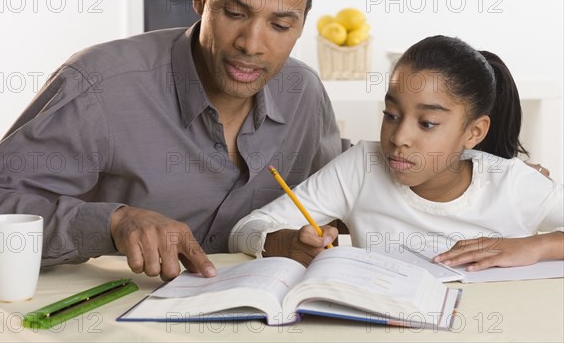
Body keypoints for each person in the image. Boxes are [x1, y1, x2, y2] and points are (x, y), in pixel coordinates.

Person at [0, 0, 344, 279]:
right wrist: (112, 223)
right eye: (234, 12)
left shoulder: (304, 95)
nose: (252, 44)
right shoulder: (100, 85)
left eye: (280, 25)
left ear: (302, 25)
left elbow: (345, 192)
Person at [230, 35, 564, 271]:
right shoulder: (361, 168)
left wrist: (536, 247)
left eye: (428, 123)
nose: (399, 137)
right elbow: (245, 229)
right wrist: (282, 242)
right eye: (391, 115)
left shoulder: (513, 183)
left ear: (473, 132)